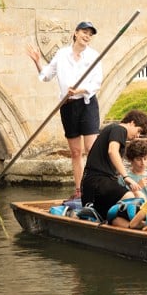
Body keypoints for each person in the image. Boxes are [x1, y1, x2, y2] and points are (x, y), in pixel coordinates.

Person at [27, 21, 103, 198]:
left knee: (91, 149)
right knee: (75, 152)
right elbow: (46, 76)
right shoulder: (62, 54)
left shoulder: (93, 56)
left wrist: (79, 90)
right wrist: (37, 61)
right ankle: (79, 190)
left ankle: (95, 186)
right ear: (75, 33)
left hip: (87, 103)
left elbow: (96, 83)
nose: (87, 36)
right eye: (84, 32)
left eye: (90, 34)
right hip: (68, 106)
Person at [80, 109, 147, 220]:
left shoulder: (112, 130)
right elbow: (112, 151)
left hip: (91, 188)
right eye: (138, 131)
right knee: (130, 198)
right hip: (97, 183)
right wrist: (126, 177)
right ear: (132, 123)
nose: (137, 136)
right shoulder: (119, 129)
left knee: (119, 214)